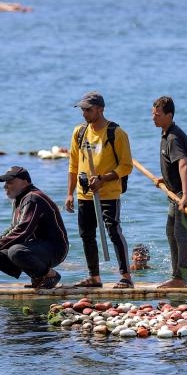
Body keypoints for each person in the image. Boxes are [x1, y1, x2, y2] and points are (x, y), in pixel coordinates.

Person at [65, 91, 134, 288]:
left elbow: (126, 166)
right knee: (86, 234)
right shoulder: (79, 132)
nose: (84, 113)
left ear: (100, 109)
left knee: (113, 231)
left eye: (88, 110)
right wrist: (70, 193)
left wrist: (103, 179)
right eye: (82, 110)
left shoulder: (116, 133)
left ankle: (126, 277)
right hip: (84, 194)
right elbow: (73, 165)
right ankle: (94, 277)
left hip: (108, 193)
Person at [0, 166, 67, 289]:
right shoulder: (19, 199)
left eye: (10, 182)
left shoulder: (33, 198)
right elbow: (13, 228)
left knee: (15, 251)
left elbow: (23, 230)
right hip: (36, 246)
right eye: (5, 183)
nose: (5, 186)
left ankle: (50, 275)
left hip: (55, 249)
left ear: (25, 182)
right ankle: (39, 278)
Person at [151, 96, 187, 288]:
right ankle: (176, 275)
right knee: (170, 232)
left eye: (158, 115)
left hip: (184, 193)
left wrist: (185, 195)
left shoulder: (173, 137)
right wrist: (166, 180)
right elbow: (173, 166)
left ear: (169, 115)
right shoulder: (165, 133)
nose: (153, 118)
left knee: (180, 232)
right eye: (153, 114)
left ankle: (181, 278)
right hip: (174, 192)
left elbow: (184, 165)